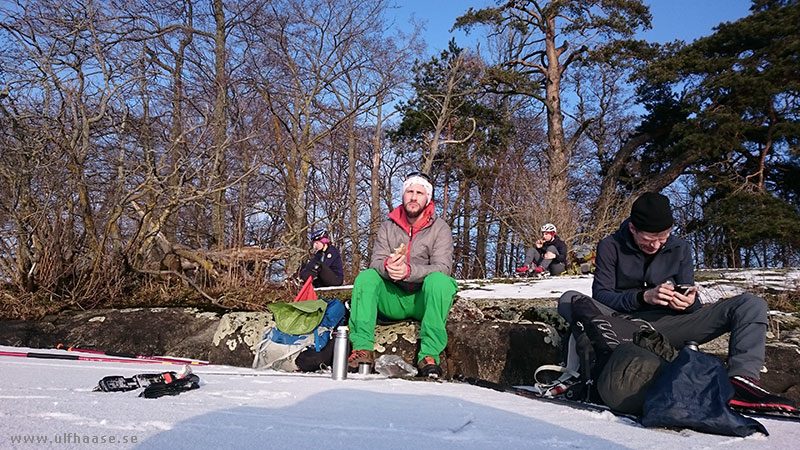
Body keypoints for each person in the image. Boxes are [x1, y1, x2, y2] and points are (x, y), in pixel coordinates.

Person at [558, 192, 797, 412]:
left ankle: (742, 384)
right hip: (623, 327)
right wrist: (643, 297)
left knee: (751, 304)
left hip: (671, 327)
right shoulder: (610, 246)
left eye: (663, 239)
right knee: (569, 300)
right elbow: (602, 295)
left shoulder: (680, 247)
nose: (656, 246)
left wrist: (690, 303)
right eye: (649, 240)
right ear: (632, 228)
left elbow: (690, 296)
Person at [347, 172, 458, 378]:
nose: (414, 197)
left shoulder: (440, 228)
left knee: (441, 281)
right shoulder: (388, 227)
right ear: (403, 195)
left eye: (419, 193)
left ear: (427, 198)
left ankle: (429, 355)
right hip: (394, 299)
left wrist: (409, 271)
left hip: (423, 300)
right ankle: (363, 347)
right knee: (366, 277)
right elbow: (376, 262)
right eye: (409, 192)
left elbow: (443, 267)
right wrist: (388, 267)